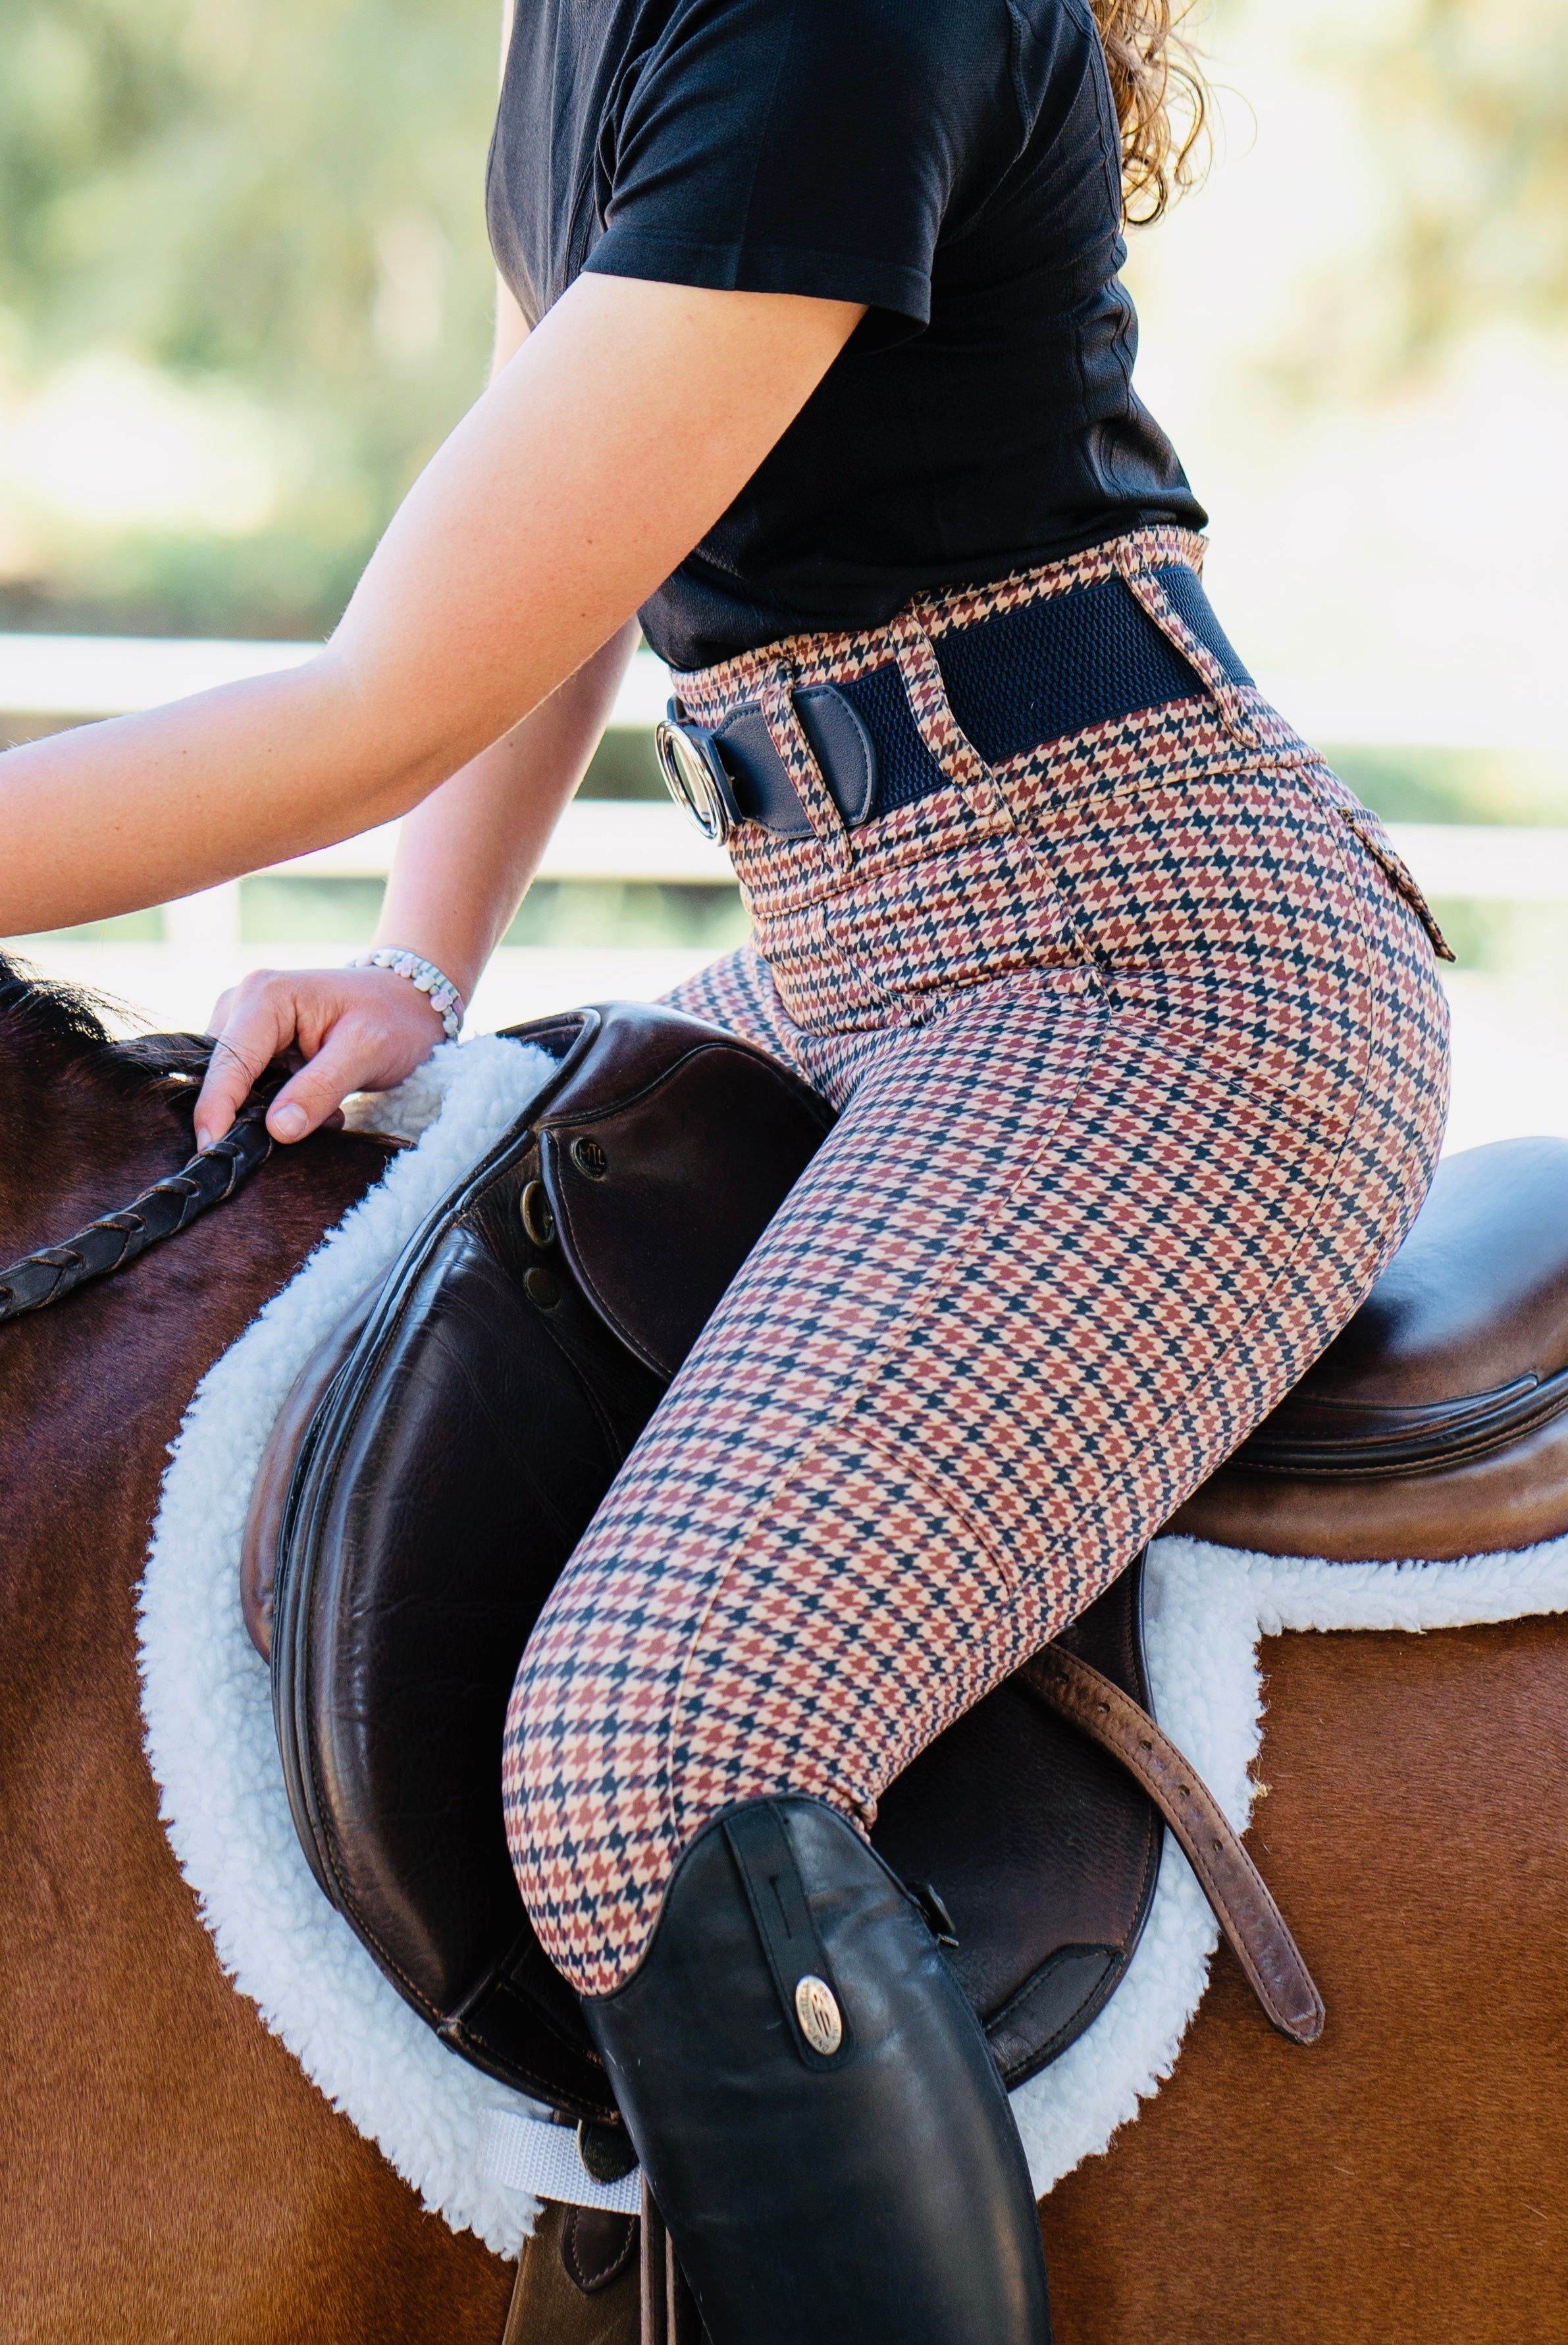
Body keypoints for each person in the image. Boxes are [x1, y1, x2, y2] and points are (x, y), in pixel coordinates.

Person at [2, 0, 1453, 2333]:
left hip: (1149, 965)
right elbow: (553, 530)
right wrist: (420, 959)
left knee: (655, 1753)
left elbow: (387, 683)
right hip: (845, 955)